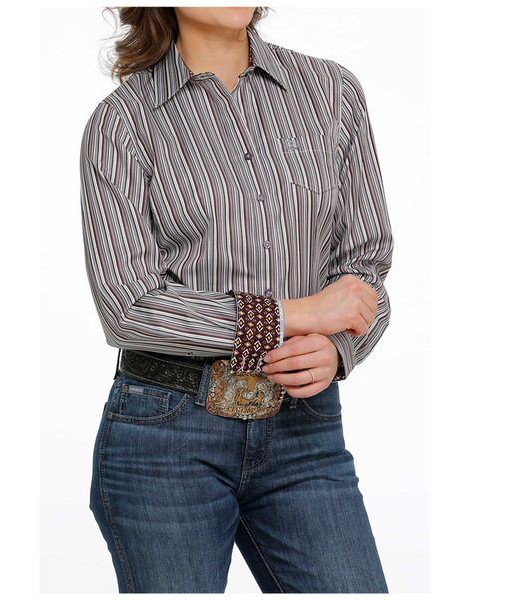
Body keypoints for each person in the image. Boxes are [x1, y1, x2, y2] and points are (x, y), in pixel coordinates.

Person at [80, 4, 393, 595]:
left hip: (305, 429)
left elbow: (365, 269)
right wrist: (289, 316)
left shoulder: (332, 93)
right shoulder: (124, 122)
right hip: (166, 437)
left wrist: (339, 348)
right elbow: (127, 307)